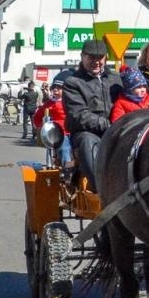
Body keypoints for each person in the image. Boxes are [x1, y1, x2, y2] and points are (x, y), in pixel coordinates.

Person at [62, 39, 118, 190]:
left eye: (100, 57)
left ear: (106, 57)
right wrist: (109, 125)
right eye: (91, 57)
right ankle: (101, 189)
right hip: (86, 132)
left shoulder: (116, 79)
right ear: (82, 56)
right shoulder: (72, 82)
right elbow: (78, 115)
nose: (96, 61)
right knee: (88, 141)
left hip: (117, 129)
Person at [33, 76, 71, 166]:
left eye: (59, 88)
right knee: (64, 148)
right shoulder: (49, 103)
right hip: (59, 132)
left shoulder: (71, 100)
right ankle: (67, 168)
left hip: (73, 129)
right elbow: (37, 117)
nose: (55, 90)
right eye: (54, 88)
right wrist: (41, 128)